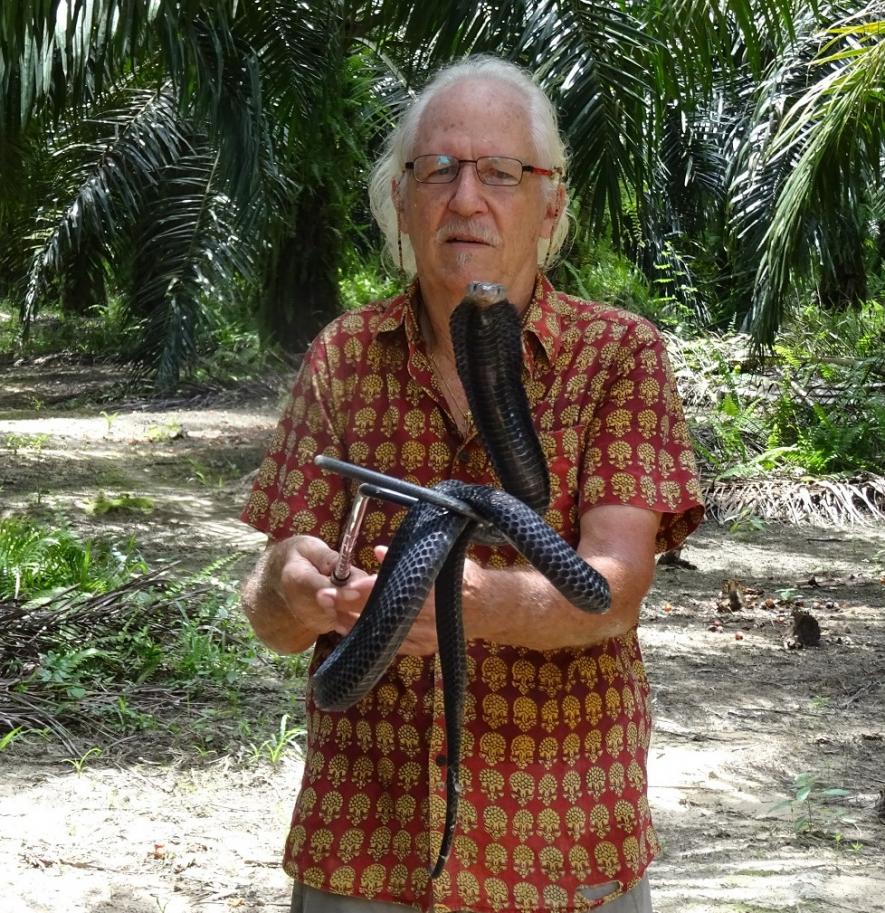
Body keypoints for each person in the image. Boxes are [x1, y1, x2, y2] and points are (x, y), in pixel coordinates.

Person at [241, 54, 704, 913]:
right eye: (437, 170)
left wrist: (463, 598)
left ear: (550, 199)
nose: (465, 199)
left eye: (499, 172)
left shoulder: (618, 356)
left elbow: (614, 590)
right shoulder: (342, 357)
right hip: (363, 847)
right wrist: (299, 588)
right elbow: (269, 608)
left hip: (565, 843)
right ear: (400, 199)